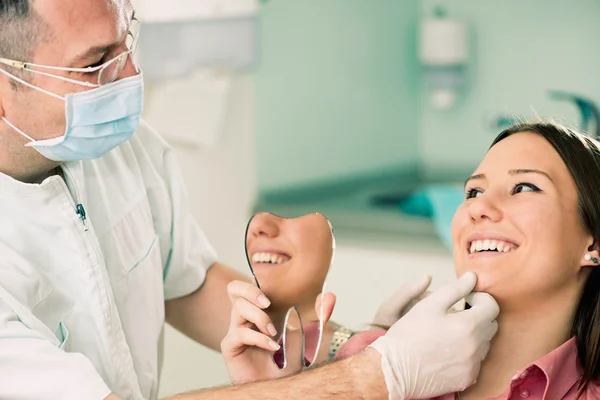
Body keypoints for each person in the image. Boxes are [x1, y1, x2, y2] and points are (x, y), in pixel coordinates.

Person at [0, 0, 499, 399]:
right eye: (94, 65)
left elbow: (189, 283)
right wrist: (380, 374)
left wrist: (347, 344)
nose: (130, 77)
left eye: (126, 42)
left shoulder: (122, 150)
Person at [226, 120, 600, 399]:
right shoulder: (371, 364)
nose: (478, 207)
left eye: (524, 187)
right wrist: (266, 389)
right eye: (473, 191)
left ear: (593, 243)